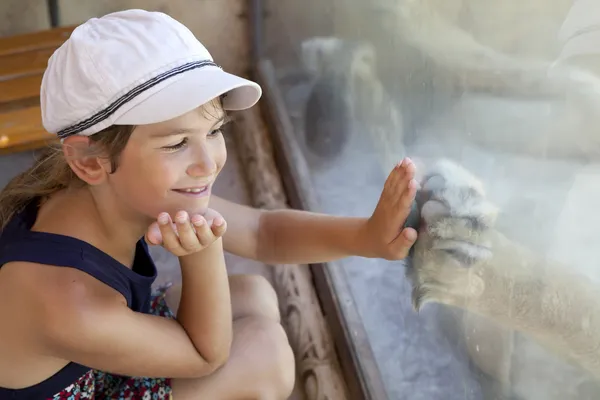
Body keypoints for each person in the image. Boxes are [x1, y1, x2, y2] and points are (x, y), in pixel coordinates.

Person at [0, 9, 418, 400]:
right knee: (264, 357)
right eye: (178, 143)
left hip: (94, 361)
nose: (208, 162)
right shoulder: (62, 297)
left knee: (253, 294)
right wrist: (203, 255)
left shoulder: (109, 188)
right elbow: (204, 357)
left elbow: (263, 232)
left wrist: (368, 237)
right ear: (90, 160)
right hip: (86, 375)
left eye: (214, 130)